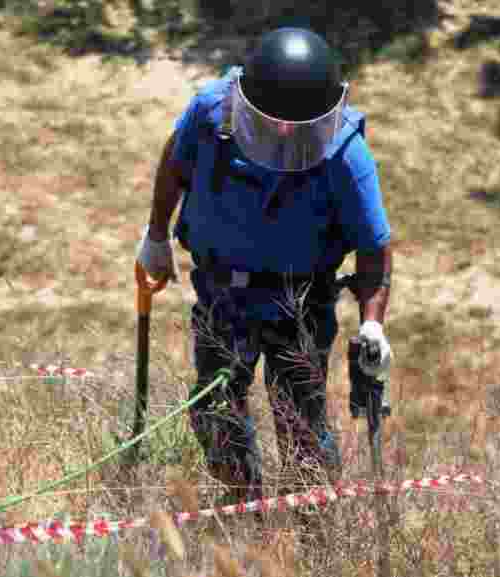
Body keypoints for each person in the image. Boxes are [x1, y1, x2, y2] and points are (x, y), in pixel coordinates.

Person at [136, 27, 394, 503]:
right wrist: (155, 236)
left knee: (301, 426)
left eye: (296, 124)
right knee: (216, 413)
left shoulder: (346, 154)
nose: (282, 133)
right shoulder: (211, 115)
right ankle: (243, 516)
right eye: (274, 120)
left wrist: (373, 326)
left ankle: (316, 533)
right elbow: (175, 162)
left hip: (300, 302)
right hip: (222, 292)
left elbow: (374, 249)